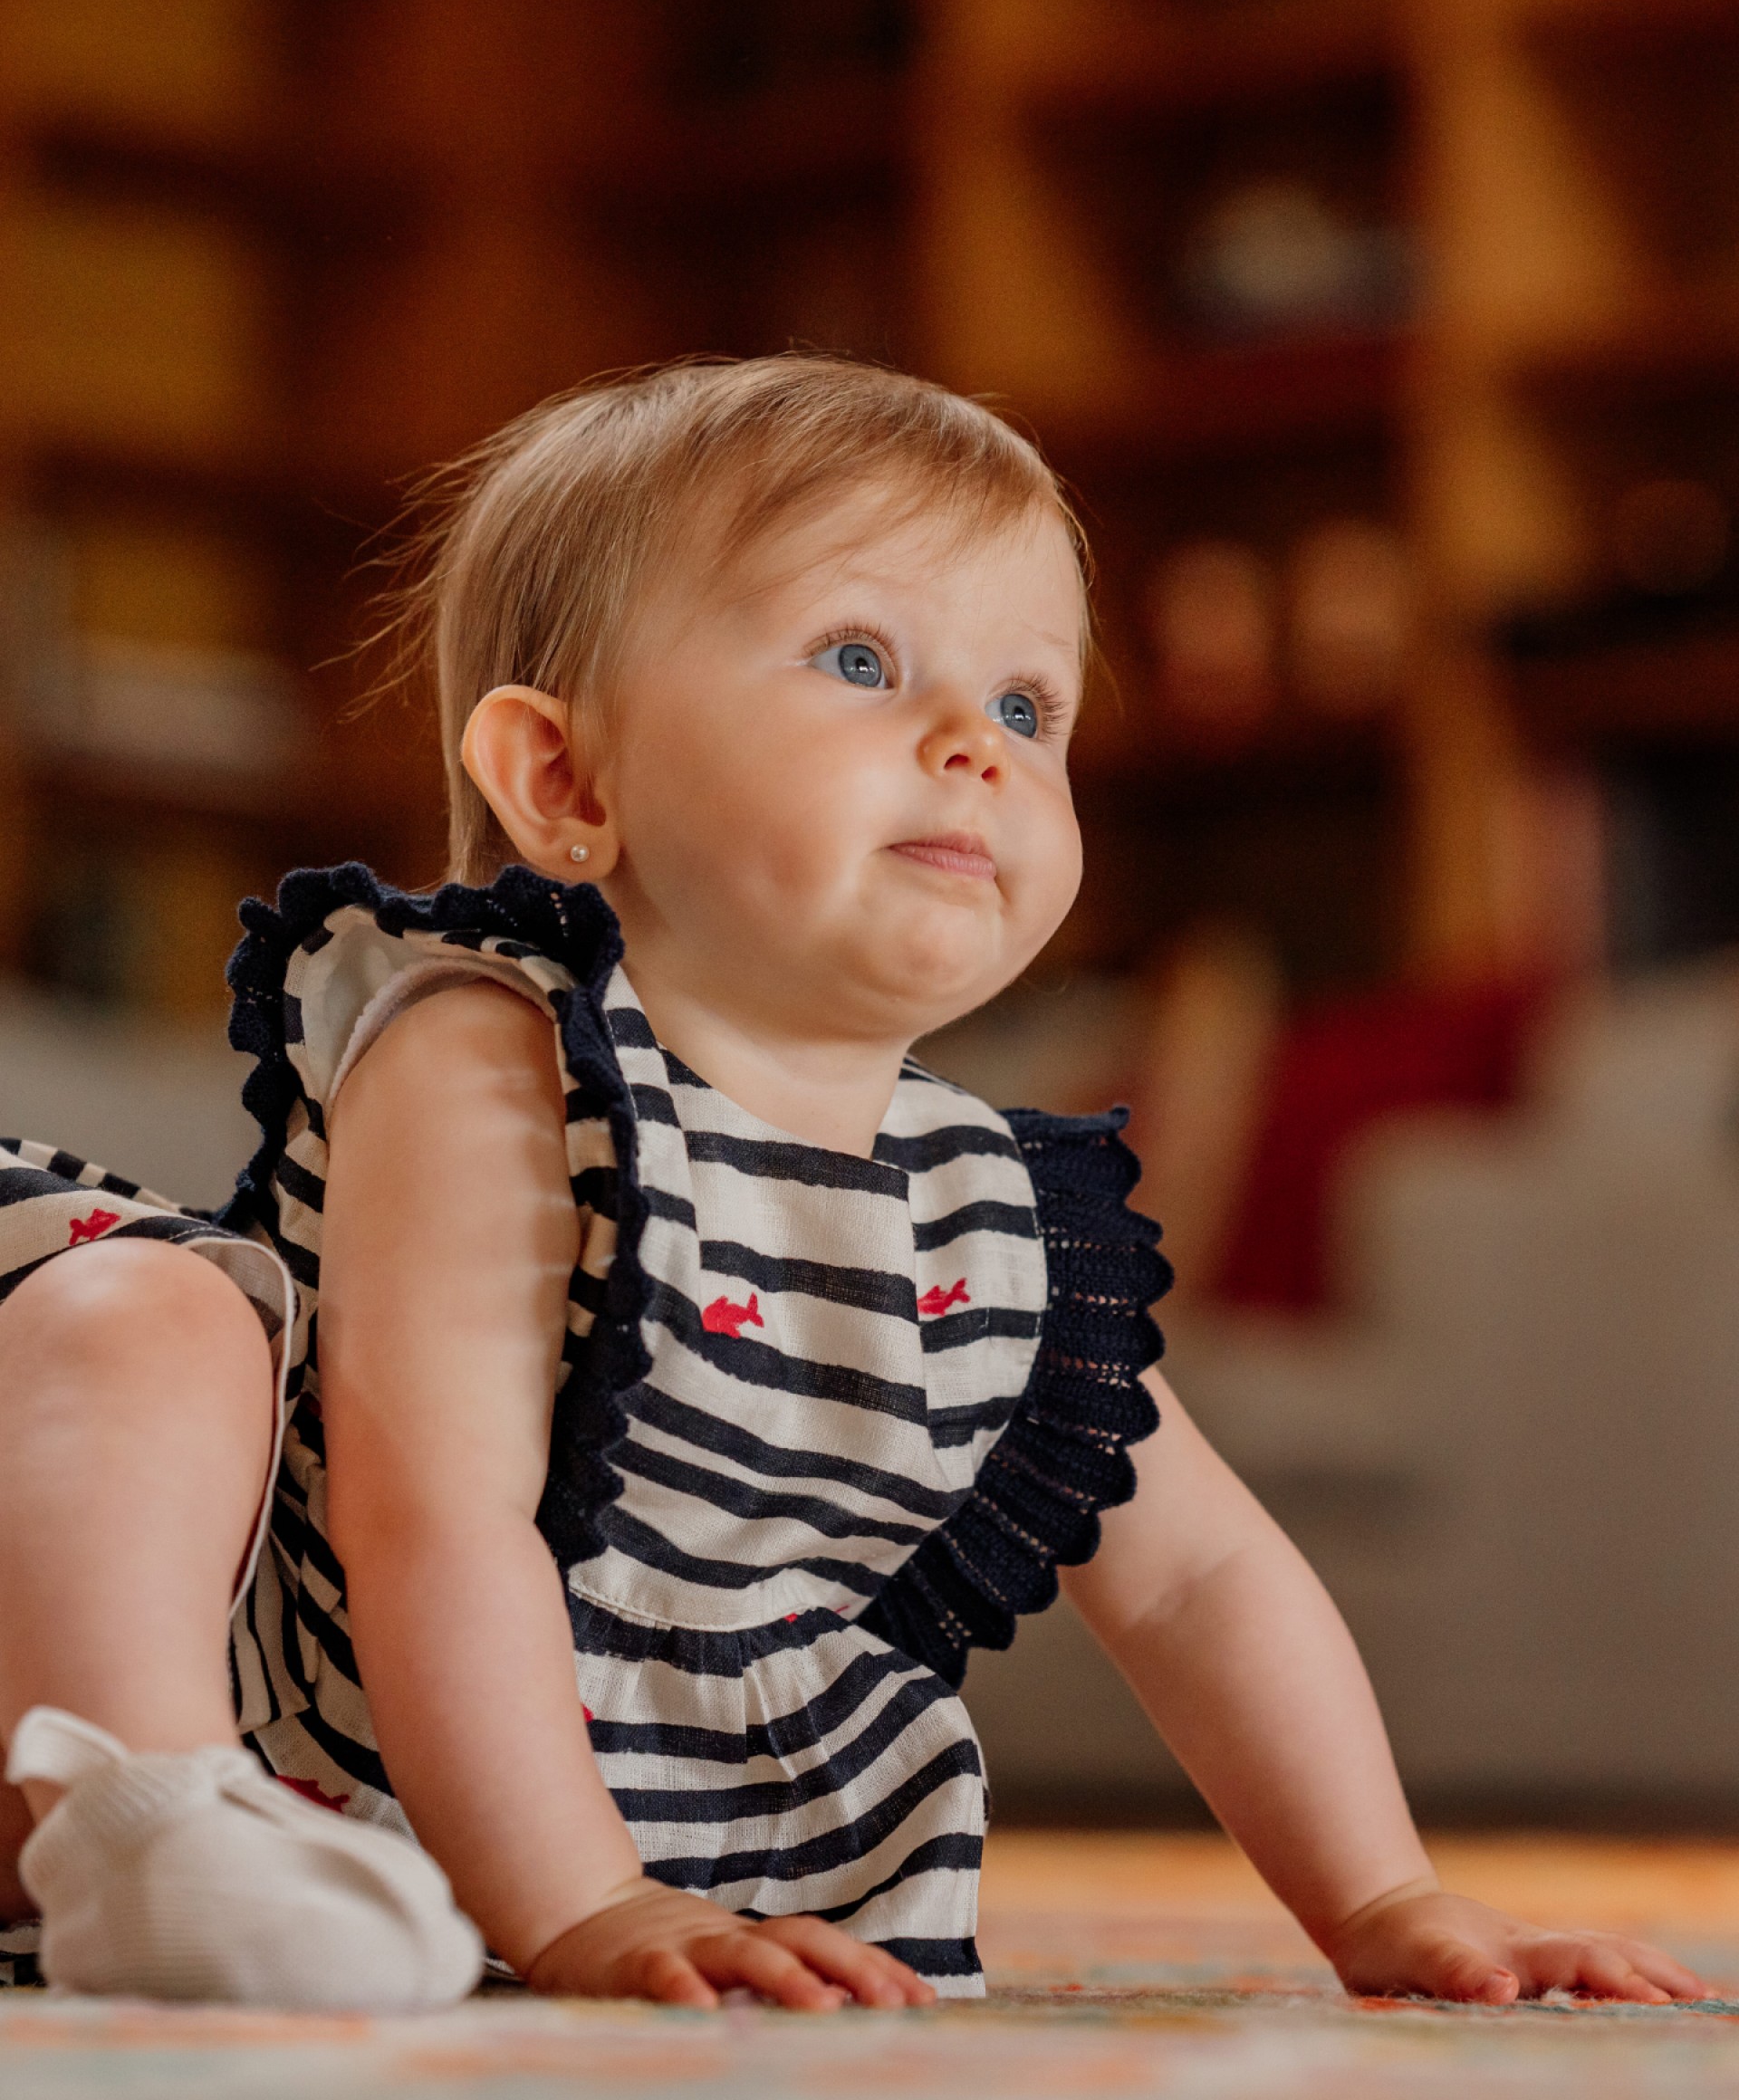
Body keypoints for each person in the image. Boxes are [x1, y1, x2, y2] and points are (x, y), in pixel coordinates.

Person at [0, 359, 1705, 2013]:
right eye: (860, 658)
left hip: (534, 1845)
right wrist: (580, 1902)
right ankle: (154, 1812)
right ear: (569, 784)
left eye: (1032, 705)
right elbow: (426, 1516)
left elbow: (1199, 1578)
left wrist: (1385, 1895)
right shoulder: (491, 1055)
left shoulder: (990, 1216)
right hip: (229, 1724)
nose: (977, 741)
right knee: (159, 1313)